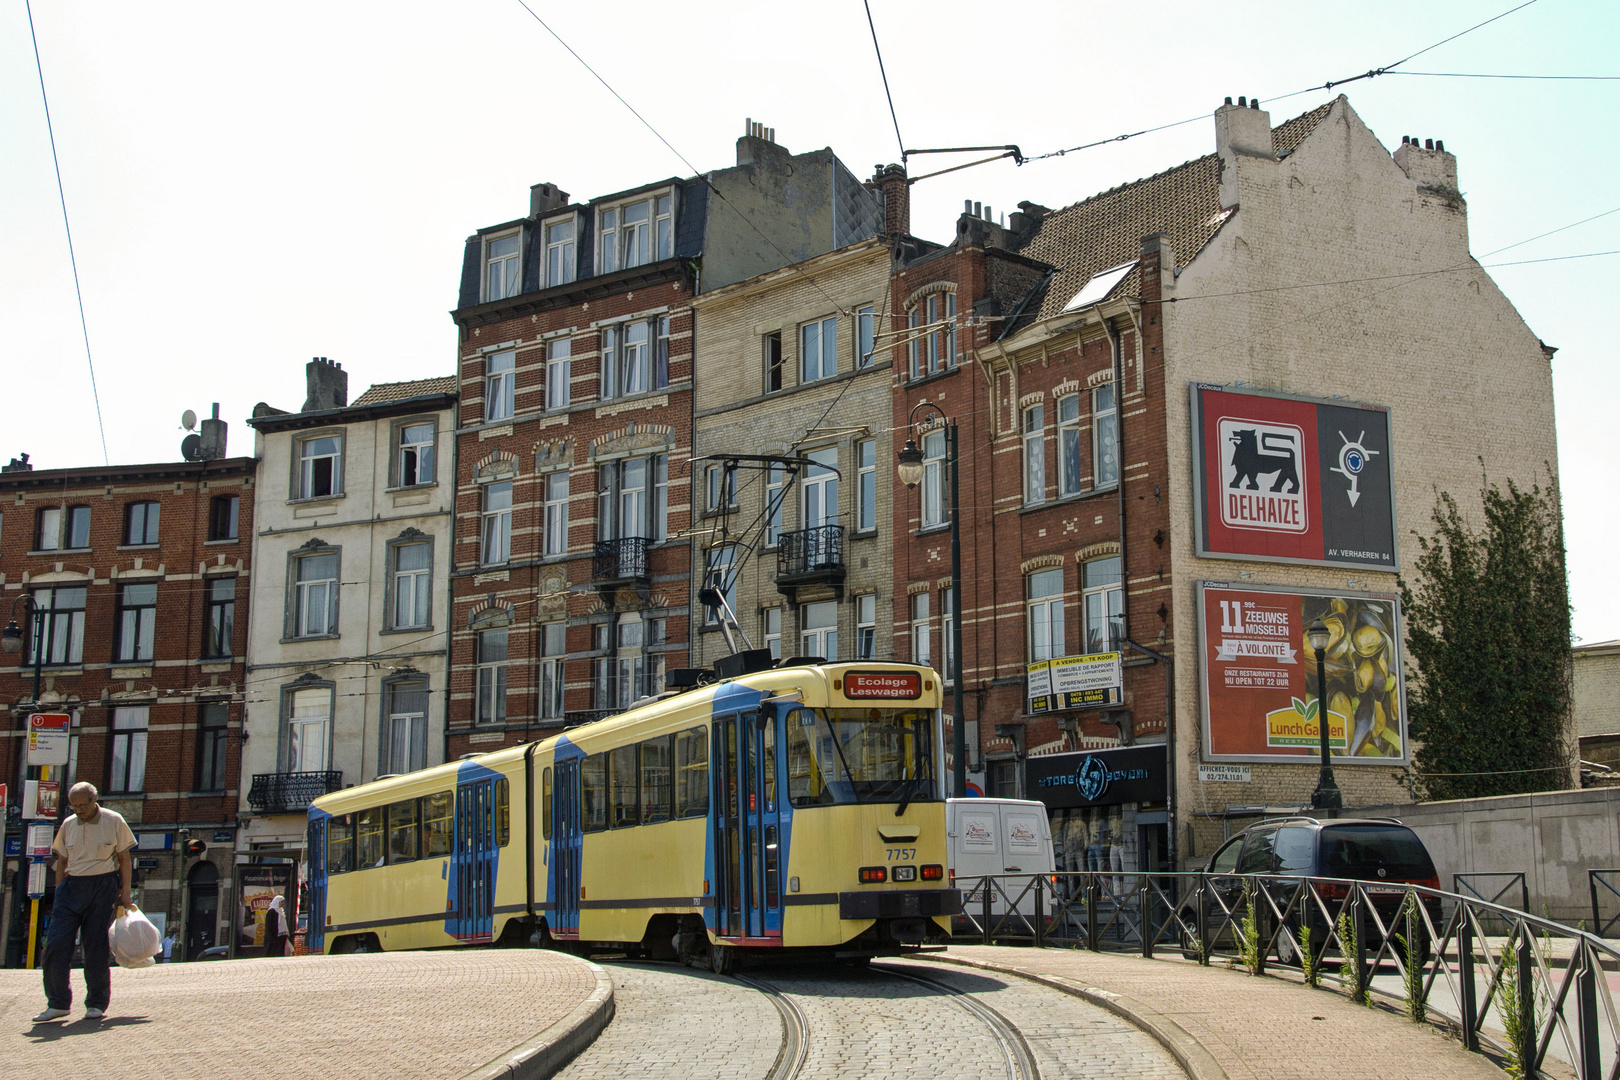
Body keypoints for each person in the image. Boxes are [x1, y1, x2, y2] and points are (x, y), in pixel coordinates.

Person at [34, 781, 136, 1023]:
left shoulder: (114, 820)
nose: (78, 810)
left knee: (95, 947)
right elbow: (61, 860)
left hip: (102, 885)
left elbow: (124, 859)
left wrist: (125, 893)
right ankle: (58, 1003)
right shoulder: (68, 825)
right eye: (74, 806)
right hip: (71, 887)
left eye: (82, 805)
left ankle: (96, 1003)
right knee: (56, 945)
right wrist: (59, 890)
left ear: (95, 799)